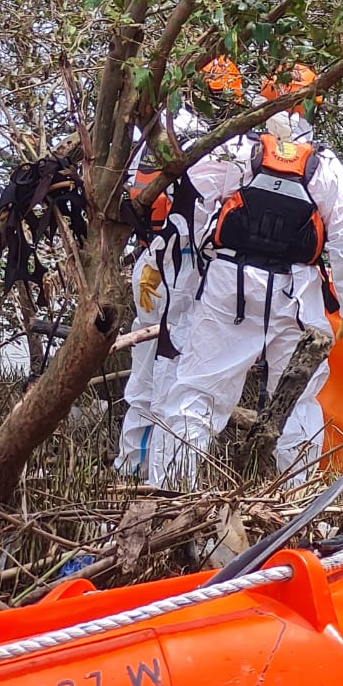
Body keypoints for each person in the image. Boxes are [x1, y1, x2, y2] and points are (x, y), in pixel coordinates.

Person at [147, 64, 343, 489]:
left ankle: (171, 493)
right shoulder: (323, 165)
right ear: (312, 104)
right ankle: (297, 497)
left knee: (196, 391)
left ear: (266, 97)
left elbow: (191, 206)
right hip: (296, 293)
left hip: (229, 283)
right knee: (300, 401)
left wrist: (177, 268)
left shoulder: (236, 148)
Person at [115, 56, 242, 478]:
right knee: (173, 374)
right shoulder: (221, 145)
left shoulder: (160, 135)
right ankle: (162, 480)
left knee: (147, 375)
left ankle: (132, 468)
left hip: (153, 260)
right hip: (183, 270)